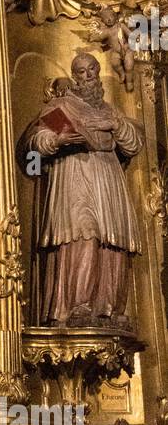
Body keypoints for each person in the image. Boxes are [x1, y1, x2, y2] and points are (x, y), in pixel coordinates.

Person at [19, 53, 143, 326]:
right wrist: (57, 139)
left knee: (112, 242)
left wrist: (118, 125)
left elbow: (133, 146)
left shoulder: (110, 111)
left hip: (109, 181)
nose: (89, 76)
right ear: (74, 77)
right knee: (82, 236)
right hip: (75, 178)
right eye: (82, 72)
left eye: (93, 71)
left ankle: (109, 309)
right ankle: (77, 307)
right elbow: (34, 141)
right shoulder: (62, 106)